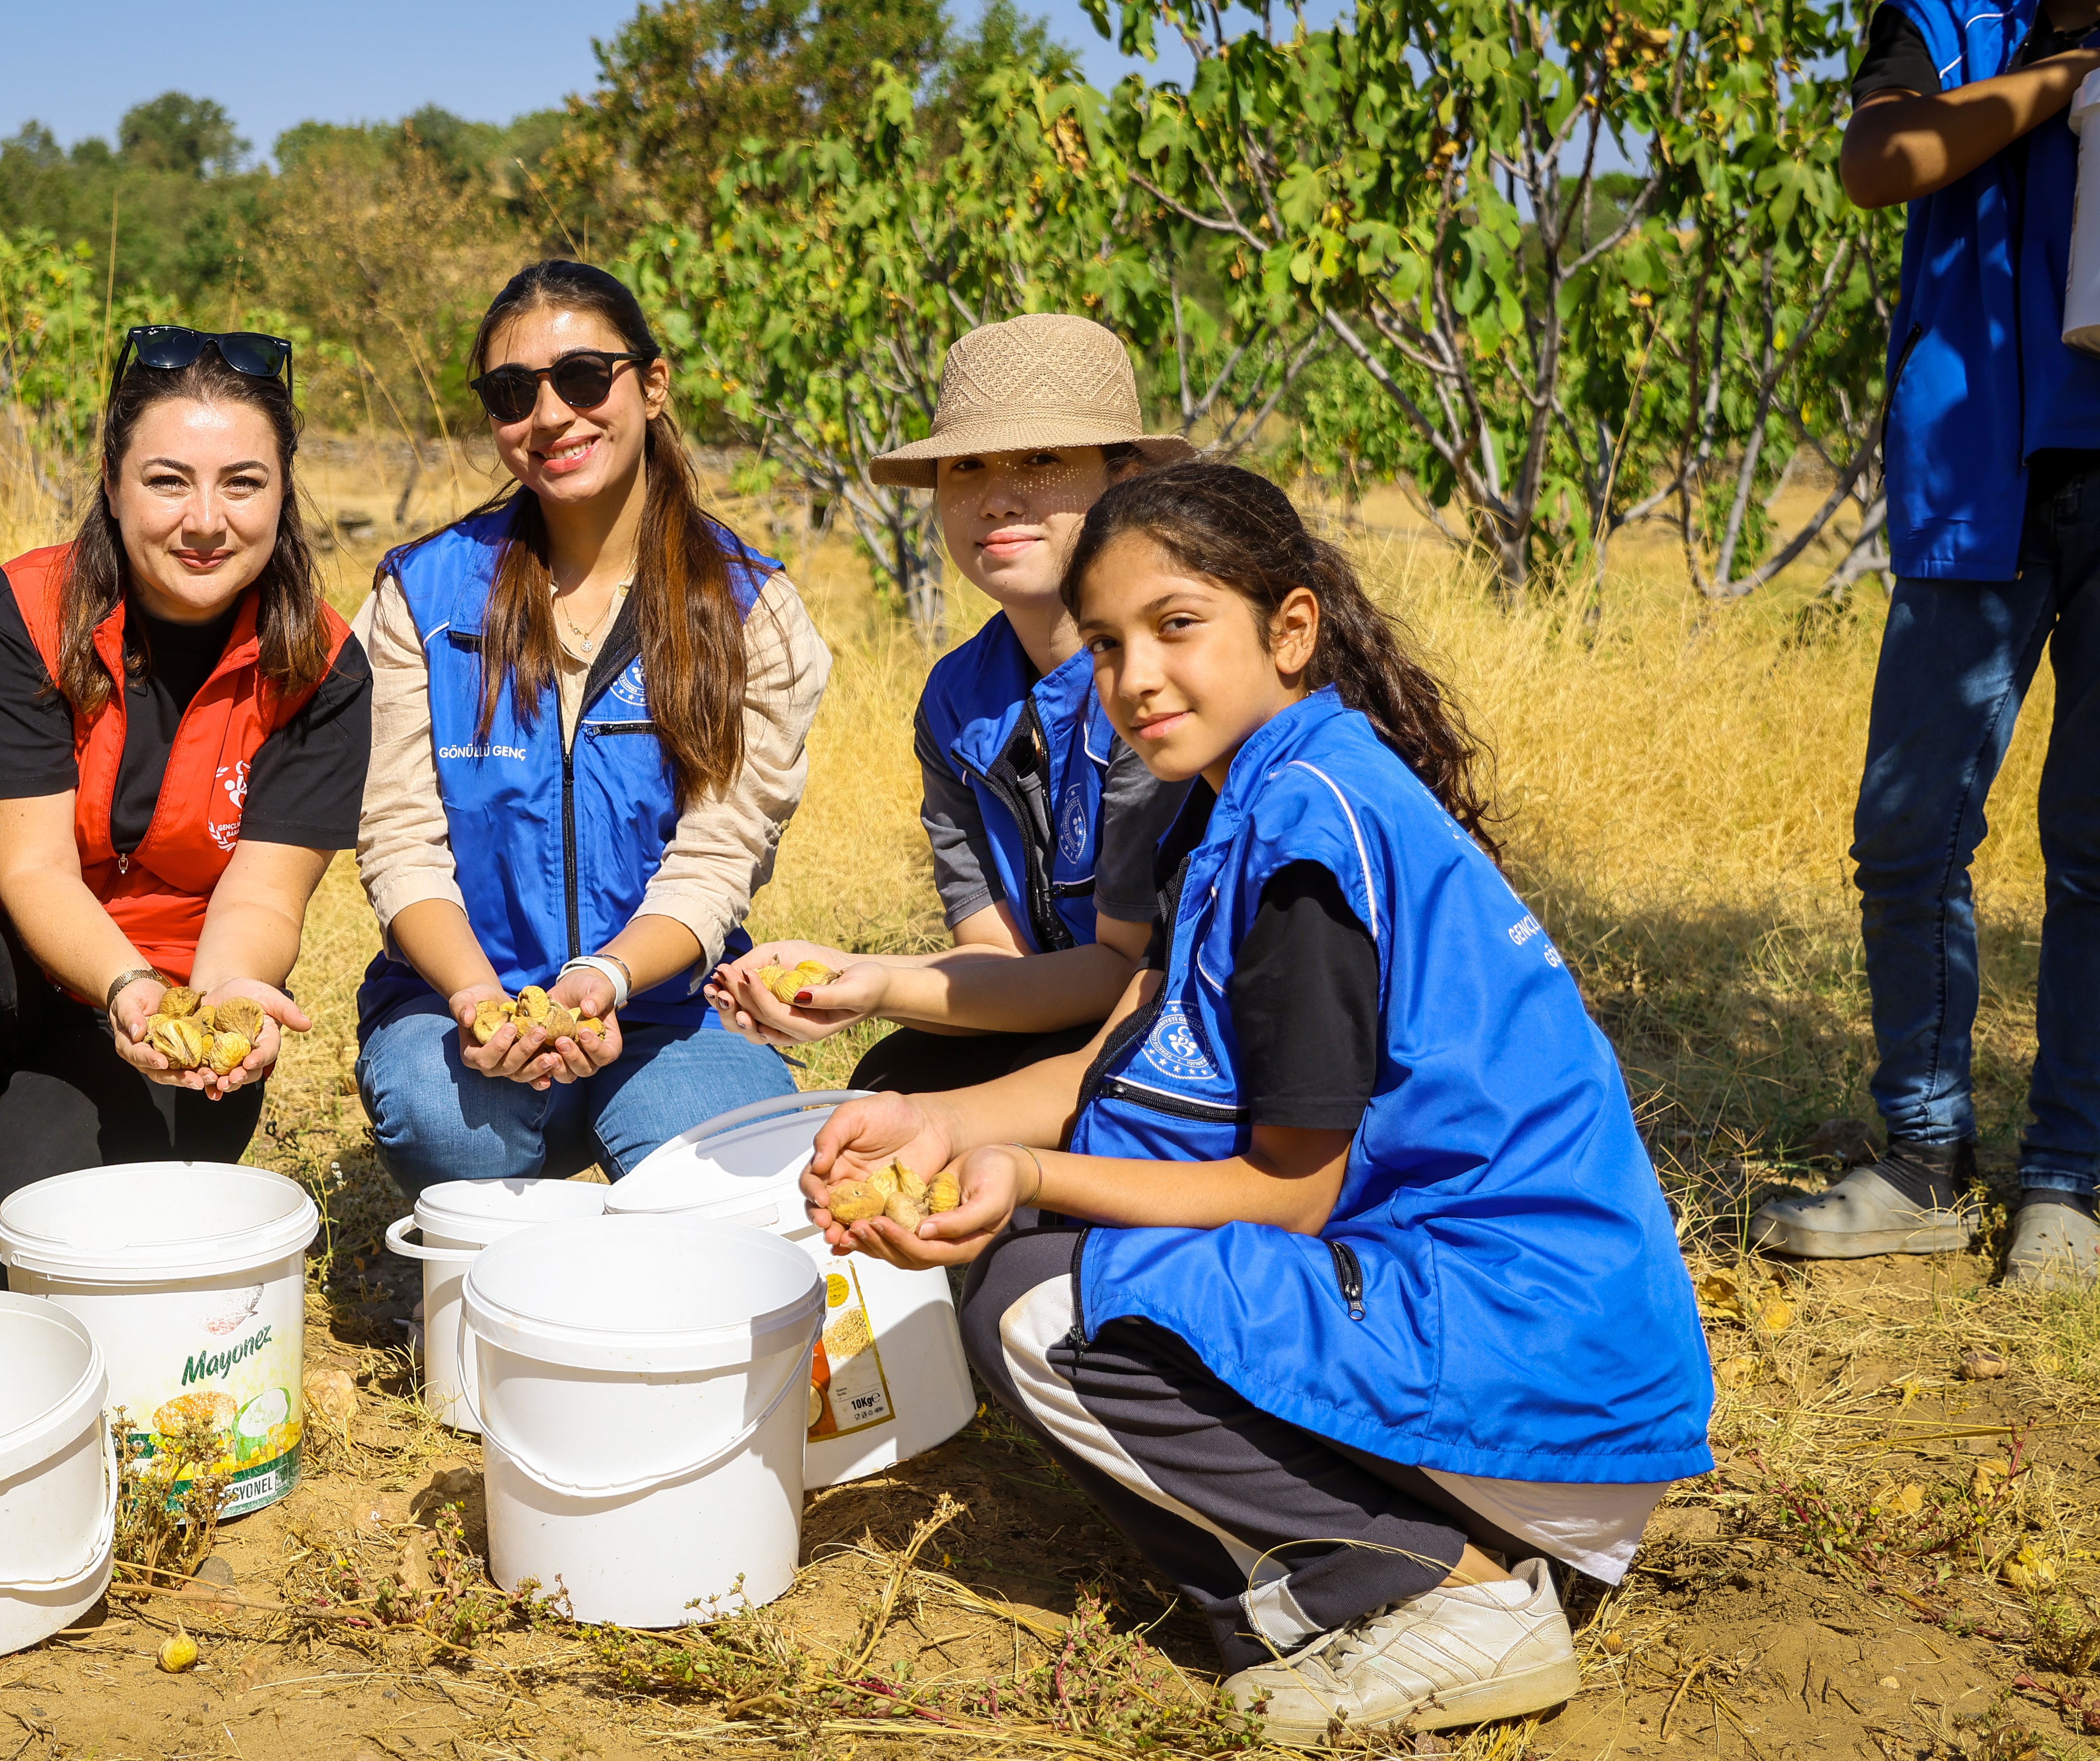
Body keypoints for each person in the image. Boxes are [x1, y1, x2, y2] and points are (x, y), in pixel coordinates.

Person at [801, 465, 1713, 1742]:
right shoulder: (1259, 791)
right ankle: (1389, 1538)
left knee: (1038, 1306)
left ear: (1289, 631)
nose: (1137, 679)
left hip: (1539, 1377)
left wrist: (1032, 1179)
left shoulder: (1299, 848)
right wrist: (948, 1128)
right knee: (1023, 1235)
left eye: (1178, 627)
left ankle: (1438, 1592)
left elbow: (1291, 1192)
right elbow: (1118, 1068)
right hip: (1521, 1343)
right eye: (1110, 645)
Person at [0, 327, 364, 1284]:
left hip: (172, 1002)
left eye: (243, 483)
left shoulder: (322, 664)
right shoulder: (21, 613)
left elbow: (262, 896)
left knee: (14, 1248)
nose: (205, 518)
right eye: (168, 480)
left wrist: (220, 1003)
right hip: (8, 961)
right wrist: (126, 986)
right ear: (114, 485)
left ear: (284, 493)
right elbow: (33, 867)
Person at [1750, 0, 2100, 1286]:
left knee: (2098, 849)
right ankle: (1922, 1161)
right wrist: (2064, 78)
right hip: (1978, 474)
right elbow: (1878, 162)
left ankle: (2073, 1186)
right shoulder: (1952, 16)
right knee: (1908, 834)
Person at [352, 259, 832, 1193]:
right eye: (510, 392)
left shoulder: (753, 608)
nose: (551, 415)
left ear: (651, 385)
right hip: (459, 1000)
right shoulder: (422, 596)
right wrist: (478, 999)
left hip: (664, 1008)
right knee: (448, 1124)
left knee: (728, 1184)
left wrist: (608, 978)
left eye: (583, 377)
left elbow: (719, 857)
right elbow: (399, 841)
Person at [705, 314, 1195, 1093]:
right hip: (1070, 1014)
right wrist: (848, 981)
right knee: (895, 1075)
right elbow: (995, 960)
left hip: (1185, 1029)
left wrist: (884, 982)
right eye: (966, 466)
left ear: (1124, 478)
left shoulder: (1161, 678)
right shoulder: (957, 701)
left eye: (1041, 459)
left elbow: (1124, 970)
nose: (999, 498)